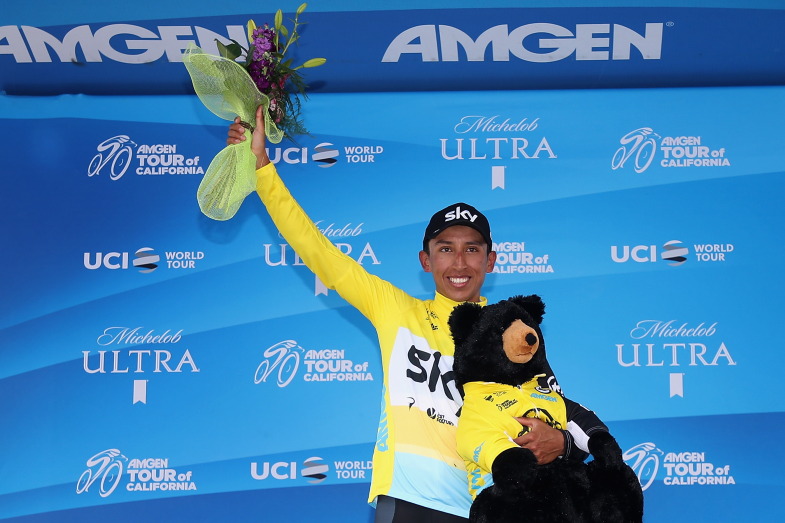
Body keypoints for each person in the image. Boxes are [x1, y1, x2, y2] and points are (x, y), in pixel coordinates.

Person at [227, 107, 609, 523]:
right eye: (445, 249)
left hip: (491, 508)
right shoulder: (395, 309)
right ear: (425, 260)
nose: (459, 262)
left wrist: (564, 444)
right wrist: (263, 168)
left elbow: (558, 412)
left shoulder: (513, 332)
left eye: (472, 249)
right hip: (410, 504)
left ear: (491, 260)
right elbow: (319, 252)